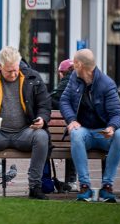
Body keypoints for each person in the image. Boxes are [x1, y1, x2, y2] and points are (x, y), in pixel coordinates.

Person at [0, 46, 51, 199]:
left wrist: (42, 119)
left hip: (25, 132)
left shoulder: (33, 78)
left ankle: (35, 186)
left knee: (42, 136)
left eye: (15, 69)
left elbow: (44, 104)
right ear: (0, 67)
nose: (13, 74)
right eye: (9, 71)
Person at [59, 49, 120, 202]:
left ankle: (107, 187)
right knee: (76, 133)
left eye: (74, 62)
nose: (73, 66)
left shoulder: (106, 84)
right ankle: (85, 187)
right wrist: (71, 120)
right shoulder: (74, 78)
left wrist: (111, 127)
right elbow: (64, 101)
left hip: (104, 132)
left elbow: (117, 114)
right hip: (84, 131)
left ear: (79, 65)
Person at [51, 58, 77, 192]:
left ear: (62, 73)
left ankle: (70, 181)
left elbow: (53, 100)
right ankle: (72, 181)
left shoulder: (66, 83)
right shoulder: (81, 80)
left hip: (68, 133)